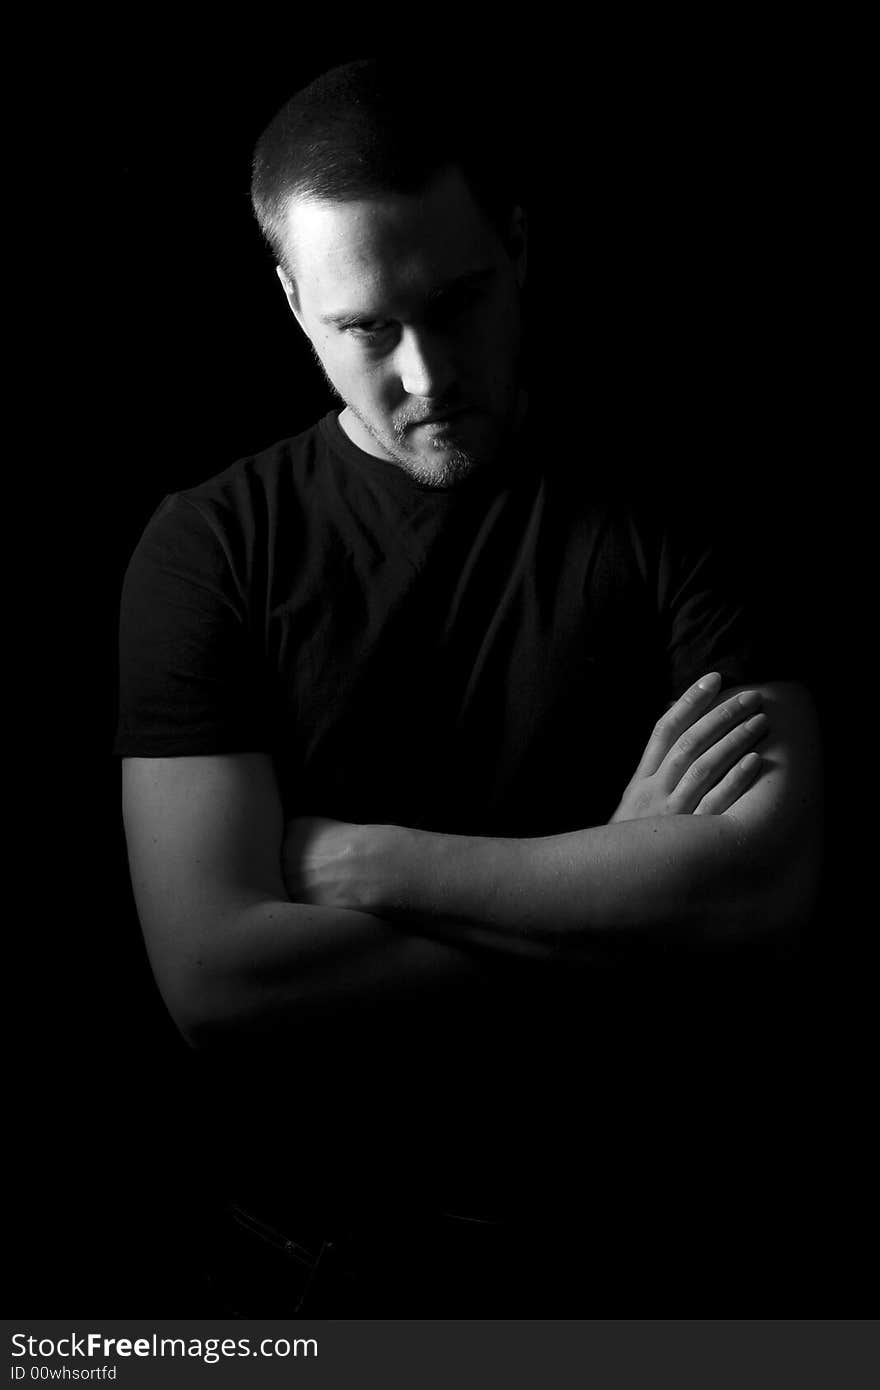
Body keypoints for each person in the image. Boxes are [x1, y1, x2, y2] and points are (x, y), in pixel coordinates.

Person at [115, 57, 822, 1314]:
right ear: (290, 301)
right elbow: (216, 981)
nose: (428, 375)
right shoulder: (208, 547)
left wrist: (377, 862)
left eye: (458, 302)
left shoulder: (684, 505)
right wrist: (614, 883)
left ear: (517, 244)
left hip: (651, 1254)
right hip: (308, 1267)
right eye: (366, 328)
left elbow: (762, 890)